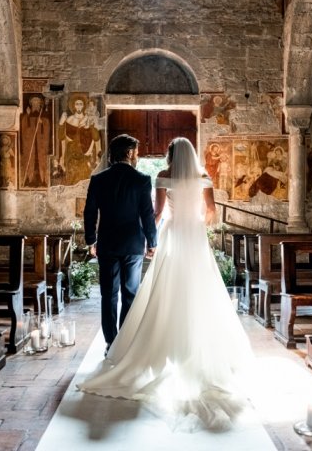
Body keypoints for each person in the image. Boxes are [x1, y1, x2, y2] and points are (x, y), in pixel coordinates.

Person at [78, 137, 254, 432]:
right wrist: (189, 225)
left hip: (141, 238)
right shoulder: (201, 178)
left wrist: (154, 237)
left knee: (121, 293)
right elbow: (210, 213)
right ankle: (185, 343)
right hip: (192, 237)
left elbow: (155, 214)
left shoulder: (157, 177)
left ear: (171, 156)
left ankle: (115, 343)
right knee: (190, 291)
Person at [82, 134, 158, 353]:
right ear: (128, 153)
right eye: (136, 152)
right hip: (133, 244)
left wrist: (91, 240)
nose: (137, 156)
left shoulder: (98, 179)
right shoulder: (142, 179)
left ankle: (110, 342)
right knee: (130, 293)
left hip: (107, 243)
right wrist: (152, 242)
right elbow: (147, 214)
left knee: (108, 294)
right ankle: (125, 341)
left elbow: (90, 212)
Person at [20, 95, 50, 187]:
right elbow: (24, 129)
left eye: (37, 102)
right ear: (31, 104)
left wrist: (42, 123)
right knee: (29, 158)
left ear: (40, 104)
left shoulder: (43, 116)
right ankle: (29, 179)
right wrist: (28, 116)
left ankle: (42, 180)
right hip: (30, 144)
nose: (36, 104)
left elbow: (47, 128)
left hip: (40, 144)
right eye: (34, 102)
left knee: (41, 159)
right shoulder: (26, 116)